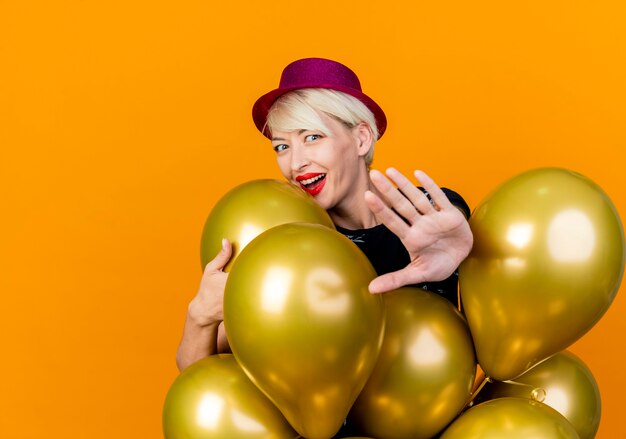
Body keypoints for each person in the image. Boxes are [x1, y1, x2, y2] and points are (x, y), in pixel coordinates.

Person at [176, 58, 473, 371]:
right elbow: (198, 378)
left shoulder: (431, 217)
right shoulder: (288, 246)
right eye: (282, 147)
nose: (296, 163)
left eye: (312, 137)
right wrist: (201, 316)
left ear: (361, 138)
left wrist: (466, 253)